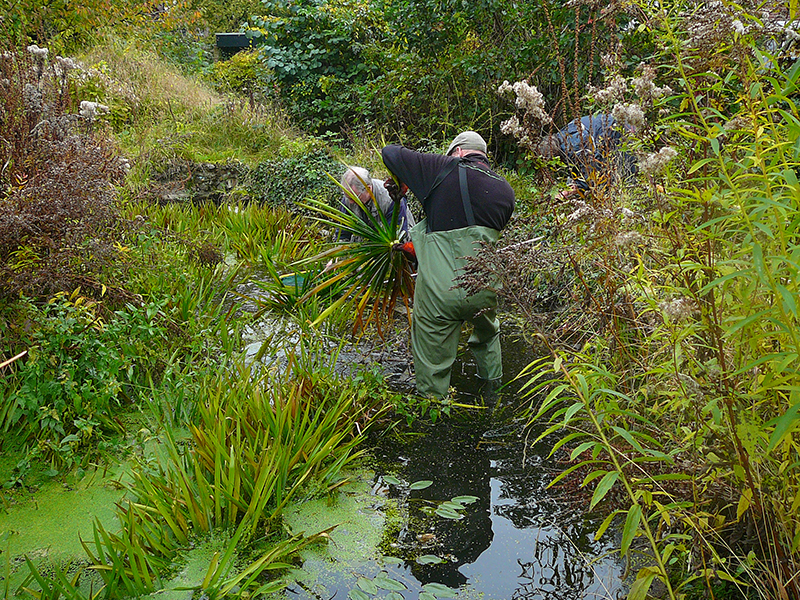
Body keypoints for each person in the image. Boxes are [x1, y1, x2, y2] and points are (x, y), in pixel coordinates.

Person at [381, 131, 515, 398]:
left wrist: (408, 178)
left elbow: (390, 153)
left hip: (440, 292)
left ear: (458, 152)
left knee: (433, 361)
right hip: (484, 286)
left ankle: (435, 413)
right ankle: (492, 396)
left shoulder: (442, 168)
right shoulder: (505, 191)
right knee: (488, 336)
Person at [538, 113, 637, 198]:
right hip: (617, 126)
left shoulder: (574, 143)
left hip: (622, 131)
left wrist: (573, 189)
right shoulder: (563, 135)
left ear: (556, 155)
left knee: (628, 176)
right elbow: (577, 168)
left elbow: (592, 167)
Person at [338, 166, 415, 242]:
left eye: (353, 198)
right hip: (368, 244)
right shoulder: (348, 197)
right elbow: (343, 232)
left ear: (368, 189)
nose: (350, 202)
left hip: (400, 243)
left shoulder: (390, 199)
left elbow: (398, 237)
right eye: (347, 197)